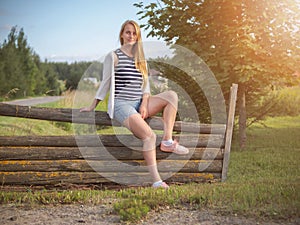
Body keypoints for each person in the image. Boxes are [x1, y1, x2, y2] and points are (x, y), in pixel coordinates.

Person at [80, 20, 189, 189]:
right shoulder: (113, 56)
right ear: (122, 34)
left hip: (139, 102)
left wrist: (145, 104)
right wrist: (92, 106)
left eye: (134, 33)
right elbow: (105, 83)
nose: (131, 36)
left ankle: (167, 141)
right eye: (128, 32)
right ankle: (157, 181)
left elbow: (145, 87)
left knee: (171, 96)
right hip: (121, 105)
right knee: (149, 136)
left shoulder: (141, 59)